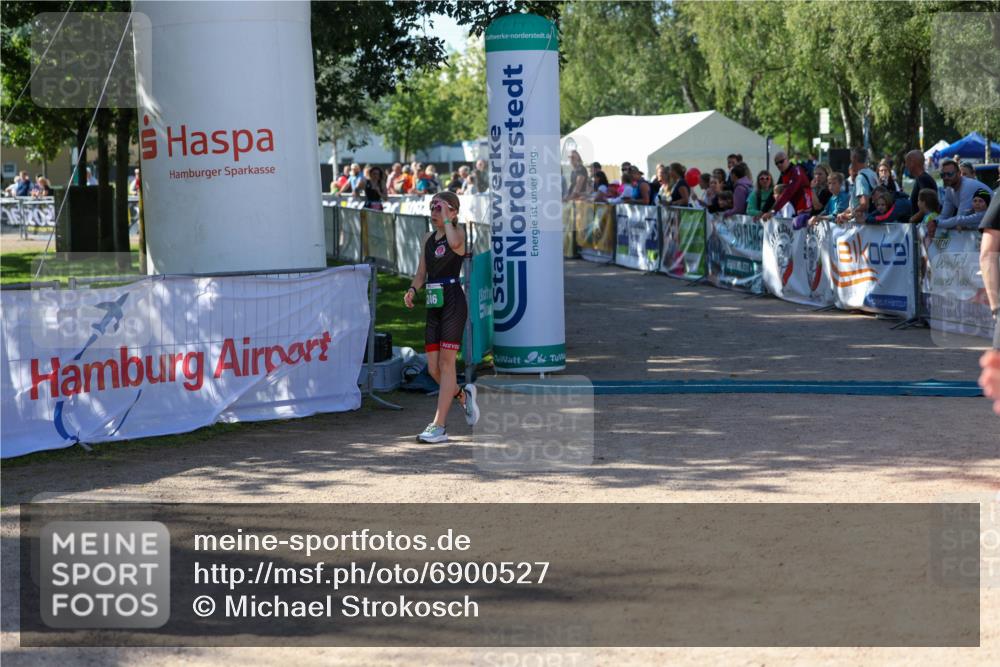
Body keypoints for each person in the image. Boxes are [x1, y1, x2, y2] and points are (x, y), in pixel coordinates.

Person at [403, 191, 479, 442]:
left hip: (453, 302)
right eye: (432, 207)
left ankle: (439, 426)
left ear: (453, 212)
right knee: (434, 369)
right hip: (434, 303)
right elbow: (420, 273)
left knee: (447, 365)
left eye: (439, 208)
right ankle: (462, 396)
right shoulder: (427, 238)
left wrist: (447, 218)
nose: (434, 212)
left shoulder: (458, 233)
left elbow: (456, 245)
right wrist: (413, 289)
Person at [933, 158, 991, 232]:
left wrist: (936, 223)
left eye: (950, 174)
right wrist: (931, 223)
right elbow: (945, 215)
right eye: (943, 175)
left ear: (959, 173)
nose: (946, 177)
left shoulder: (967, 186)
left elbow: (959, 220)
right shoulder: (949, 189)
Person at [761, 152, 812, 221]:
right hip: (795, 210)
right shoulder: (784, 174)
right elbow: (773, 194)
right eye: (777, 163)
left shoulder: (796, 170)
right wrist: (764, 211)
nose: (779, 165)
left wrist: (773, 211)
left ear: (788, 160)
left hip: (805, 209)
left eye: (781, 161)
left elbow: (789, 192)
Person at [837, 148, 878, 224]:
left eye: (851, 158)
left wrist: (850, 215)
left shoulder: (860, 178)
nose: (850, 161)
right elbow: (855, 204)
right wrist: (844, 213)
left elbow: (864, 204)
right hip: (871, 221)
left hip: (863, 225)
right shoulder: (873, 174)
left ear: (854, 158)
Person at [904, 149, 938, 223]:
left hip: (925, 227)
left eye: (907, 162)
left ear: (912, 162)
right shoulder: (921, 179)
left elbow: (927, 205)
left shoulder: (924, 179)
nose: (906, 165)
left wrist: (913, 219)